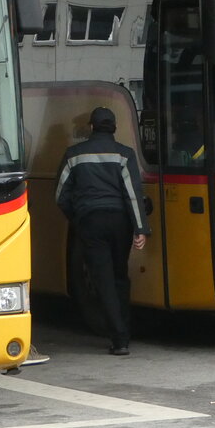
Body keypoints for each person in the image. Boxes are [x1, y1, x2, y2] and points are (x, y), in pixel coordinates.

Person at [55, 106, 150, 356]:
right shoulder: (125, 154)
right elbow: (133, 195)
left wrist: (77, 218)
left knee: (102, 278)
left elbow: (60, 195)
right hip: (120, 222)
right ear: (114, 128)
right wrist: (140, 228)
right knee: (120, 275)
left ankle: (118, 338)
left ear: (92, 126)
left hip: (90, 221)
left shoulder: (74, 154)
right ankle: (125, 332)